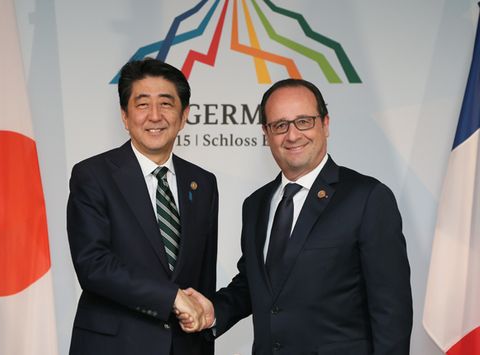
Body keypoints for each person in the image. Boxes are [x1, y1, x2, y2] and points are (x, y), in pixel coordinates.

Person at [180, 78, 413, 354]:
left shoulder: (367, 198)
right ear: (266, 133)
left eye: (304, 121)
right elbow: (254, 285)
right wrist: (213, 311)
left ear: (325, 124)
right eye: (280, 125)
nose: (292, 135)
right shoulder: (255, 204)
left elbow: (391, 311)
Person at [67, 58, 218, 355]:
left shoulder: (202, 183)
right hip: (114, 346)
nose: (155, 116)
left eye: (166, 103)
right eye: (142, 104)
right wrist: (171, 296)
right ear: (125, 117)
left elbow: (203, 278)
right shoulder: (93, 175)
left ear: (184, 115)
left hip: (183, 347)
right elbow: (93, 265)